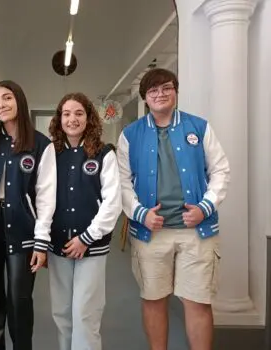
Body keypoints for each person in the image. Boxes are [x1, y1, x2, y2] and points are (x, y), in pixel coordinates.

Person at [117, 68, 230, 350]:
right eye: (153, 90)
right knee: (154, 299)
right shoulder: (130, 134)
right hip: (150, 233)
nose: (160, 94)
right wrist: (141, 214)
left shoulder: (199, 127)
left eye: (166, 87)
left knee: (198, 301)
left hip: (197, 231)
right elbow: (121, 182)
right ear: (145, 97)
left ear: (175, 91)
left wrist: (205, 207)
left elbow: (221, 171)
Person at [0, 80, 56, 350]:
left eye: (7, 98)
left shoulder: (41, 145)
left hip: (22, 227)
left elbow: (45, 196)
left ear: (19, 100)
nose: (1, 105)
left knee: (20, 300)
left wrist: (41, 241)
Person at [47, 92, 122, 350]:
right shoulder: (50, 154)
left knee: (85, 313)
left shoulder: (103, 154)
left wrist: (86, 238)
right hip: (58, 245)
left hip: (91, 246)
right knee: (62, 313)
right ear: (59, 119)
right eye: (66, 114)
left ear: (89, 118)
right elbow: (41, 198)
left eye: (79, 113)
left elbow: (113, 202)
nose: (72, 119)